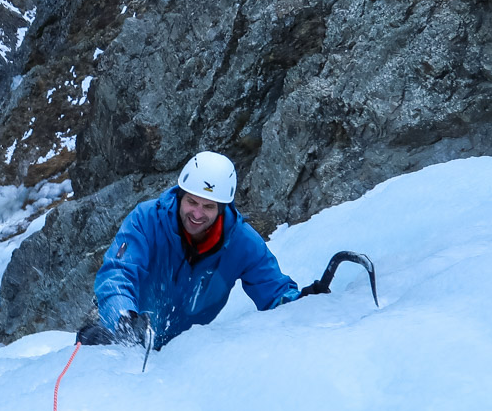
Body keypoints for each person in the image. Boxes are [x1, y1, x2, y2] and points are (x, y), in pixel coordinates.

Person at [77, 150, 321, 350]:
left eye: (208, 206)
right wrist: (124, 320)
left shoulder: (241, 243)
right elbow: (118, 273)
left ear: (223, 208)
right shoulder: (147, 220)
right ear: (180, 196)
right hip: (118, 329)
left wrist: (301, 303)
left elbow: (274, 293)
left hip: (174, 354)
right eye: (191, 201)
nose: (196, 213)